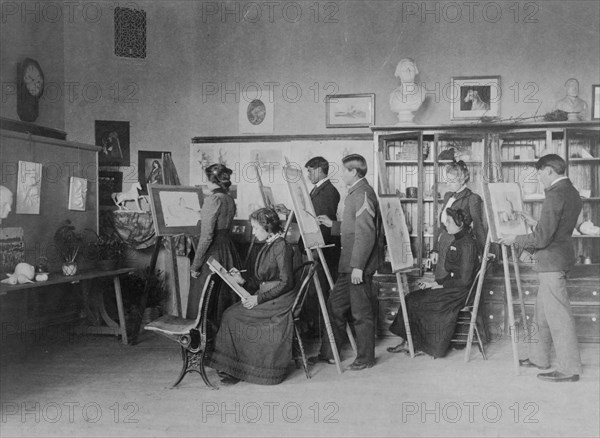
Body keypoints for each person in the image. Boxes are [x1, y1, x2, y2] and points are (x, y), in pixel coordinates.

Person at [499, 154, 582, 383]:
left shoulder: (555, 194)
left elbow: (542, 238)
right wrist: (533, 219)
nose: (540, 180)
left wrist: (514, 238)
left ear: (549, 171)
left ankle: (569, 369)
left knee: (559, 317)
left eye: (540, 175)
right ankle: (539, 358)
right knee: (542, 314)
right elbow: (557, 229)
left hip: (552, 263)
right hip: (558, 259)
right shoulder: (571, 191)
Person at [207, 208, 296, 386]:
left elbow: (287, 282)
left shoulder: (281, 246)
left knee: (232, 315)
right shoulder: (270, 243)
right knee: (231, 312)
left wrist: (258, 299)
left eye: (256, 228)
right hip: (268, 295)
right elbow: (262, 278)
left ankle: (237, 368)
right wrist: (241, 280)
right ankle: (236, 366)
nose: (253, 232)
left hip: (280, 300)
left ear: (268, 227)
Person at [313, 154, 383, 371]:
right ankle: (329, 353)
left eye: (344, 170)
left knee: (361, 313)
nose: (341, 174)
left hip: (357, 267)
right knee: (334, 306)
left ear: (353, 172)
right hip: (349, 265)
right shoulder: (356, 193)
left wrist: (359, 267)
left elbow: (366, 234)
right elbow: (353, 227)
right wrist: (333, 225)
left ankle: (366, 358)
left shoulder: (362, 194)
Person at [388, 208, 479, 358]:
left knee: (414, 300)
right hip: (453, 287)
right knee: (412, 298)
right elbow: (454, 273)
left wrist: (441, 285)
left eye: (449, 221)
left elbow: (464, 280)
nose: (446, 224)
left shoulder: (468, 244)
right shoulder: (459, 239)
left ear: (461, 223)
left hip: (460, 293)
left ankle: (418, 344)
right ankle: (409, 341)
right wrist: (436, 283)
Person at [274, 156, 341, 337]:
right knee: (314, 293)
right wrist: (288, 213)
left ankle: (323, 336)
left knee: (321, 294)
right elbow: (310, 215)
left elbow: (323, 224)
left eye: (310, 171)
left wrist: (318, 248)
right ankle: (318, 334)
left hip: (322, 250)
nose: (309, 175)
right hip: (315, 248)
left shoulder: (328, 192)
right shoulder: (318, 190)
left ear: (319, 169)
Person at [187, 164, 241, 326]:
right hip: (227, 250)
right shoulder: (228, 198)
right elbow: (218, 221)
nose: (205, 183)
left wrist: (196, 266)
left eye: (207, 180)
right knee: (225, 296)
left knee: (206, 298)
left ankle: (203, 338)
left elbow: (207, 237)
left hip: (213, 254)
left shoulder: (212, 199)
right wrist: (196, 212)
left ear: (213, 181)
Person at [432, 160, 486, 282]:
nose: (447, 183)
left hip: (459, 248)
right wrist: (435, 249)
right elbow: (441, 226)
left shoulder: (472, 198)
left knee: (454, 284)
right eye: (447, 180)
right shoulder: (448, 196)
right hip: (443, 244)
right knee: (440, 284)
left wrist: (484, 252)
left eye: (451, 181)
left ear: (462, 180)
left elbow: (478, 227)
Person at [389, 58, 425, 123]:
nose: (408, 71)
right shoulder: (393, 95)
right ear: (399, 73)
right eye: (404, 69)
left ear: (415, 72)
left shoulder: (422, 92)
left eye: (411, 68)